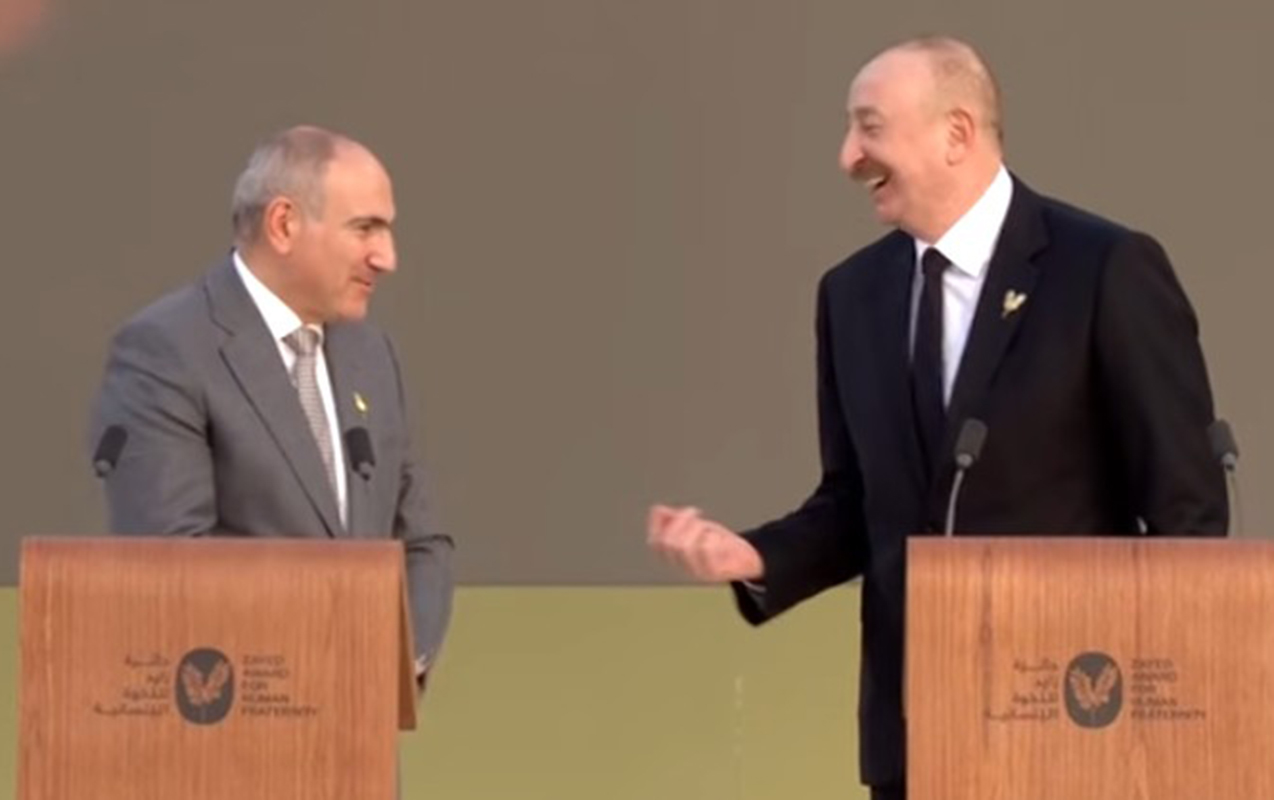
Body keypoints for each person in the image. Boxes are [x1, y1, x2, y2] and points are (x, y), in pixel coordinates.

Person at [647, 36, 1226, 800]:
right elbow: (859, 504)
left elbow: (1187, 516)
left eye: (870, 127)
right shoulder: (852, 295)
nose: (848, 156)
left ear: (956, 133)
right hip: (914, 739)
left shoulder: (1102, 269)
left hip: (1074, 730)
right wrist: (754, 556)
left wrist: (1151, 719)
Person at [90, 125, 453, 687]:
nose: (387, 257)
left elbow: (420, 543)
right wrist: (316, 668)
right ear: (283, 224)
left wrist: (399, 664)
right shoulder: (168, 350)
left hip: (361, 723)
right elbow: (172, 565)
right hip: (236, 718)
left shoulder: (372, 355)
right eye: (365, 228)